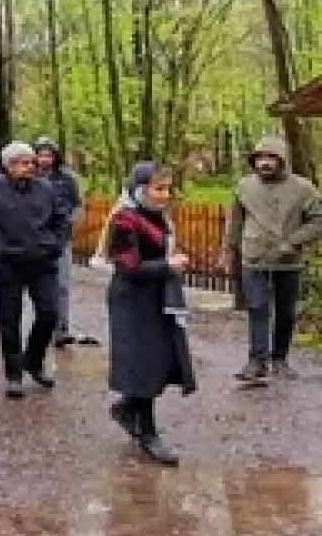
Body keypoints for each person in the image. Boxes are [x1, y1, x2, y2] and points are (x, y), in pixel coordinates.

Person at [106, 162, 196, 467]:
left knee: (161, 359)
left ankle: (126, 408)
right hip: (132, 301)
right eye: (158, 188)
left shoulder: (158, 217)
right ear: (140, 189)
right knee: (144, 364)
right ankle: (147, 432)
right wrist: (168, 266)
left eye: (167, 188)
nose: (164, 194)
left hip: (159, 296)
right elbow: (127, 266)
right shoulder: (124, 220)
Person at [0, 141, 70, 399]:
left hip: (42, 262)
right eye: (23, 163)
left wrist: (55, 246)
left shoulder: (46, 189)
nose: (29, 167)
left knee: (49, 313)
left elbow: (61, 221)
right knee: (9, 320)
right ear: (9, 165)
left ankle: (33, 361)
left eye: (30, 162)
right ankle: (13, 375)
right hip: (8, 264)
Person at [221, 135, 322, 383]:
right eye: (260, 158)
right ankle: (256, 362)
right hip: (253, 258)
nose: (264, 163)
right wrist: (228, 251)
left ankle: (280, 360)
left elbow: (318, 220)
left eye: (270, 158)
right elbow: (235, 222)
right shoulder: (244, 186)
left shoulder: (303, 188)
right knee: (257, 309)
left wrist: (293, 241)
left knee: (286, 312)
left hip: (288, 261)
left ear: (282, 160)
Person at [34, 137, 85, 347]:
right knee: (40, 287)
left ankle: (62, 329)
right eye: (41, 154)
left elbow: (79, 206)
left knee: (62, 285)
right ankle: (43, 327)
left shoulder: (68, 178)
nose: (45, 159)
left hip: (61, 239)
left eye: (49, 154)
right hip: (36, 240)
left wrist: (70, 225)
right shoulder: (30, 177)